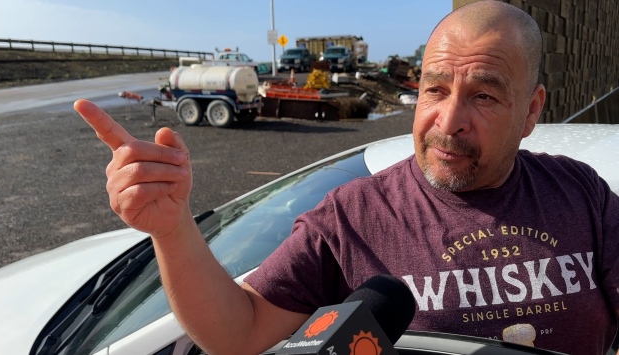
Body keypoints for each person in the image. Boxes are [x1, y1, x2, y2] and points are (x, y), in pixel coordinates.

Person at [74, 1, 619, 354]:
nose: (448, 121)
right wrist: (172, 231)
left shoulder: (582, 193)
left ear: (530, 111)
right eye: (434, 90)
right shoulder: (353, 217)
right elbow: (237, 332)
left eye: (484, 95)